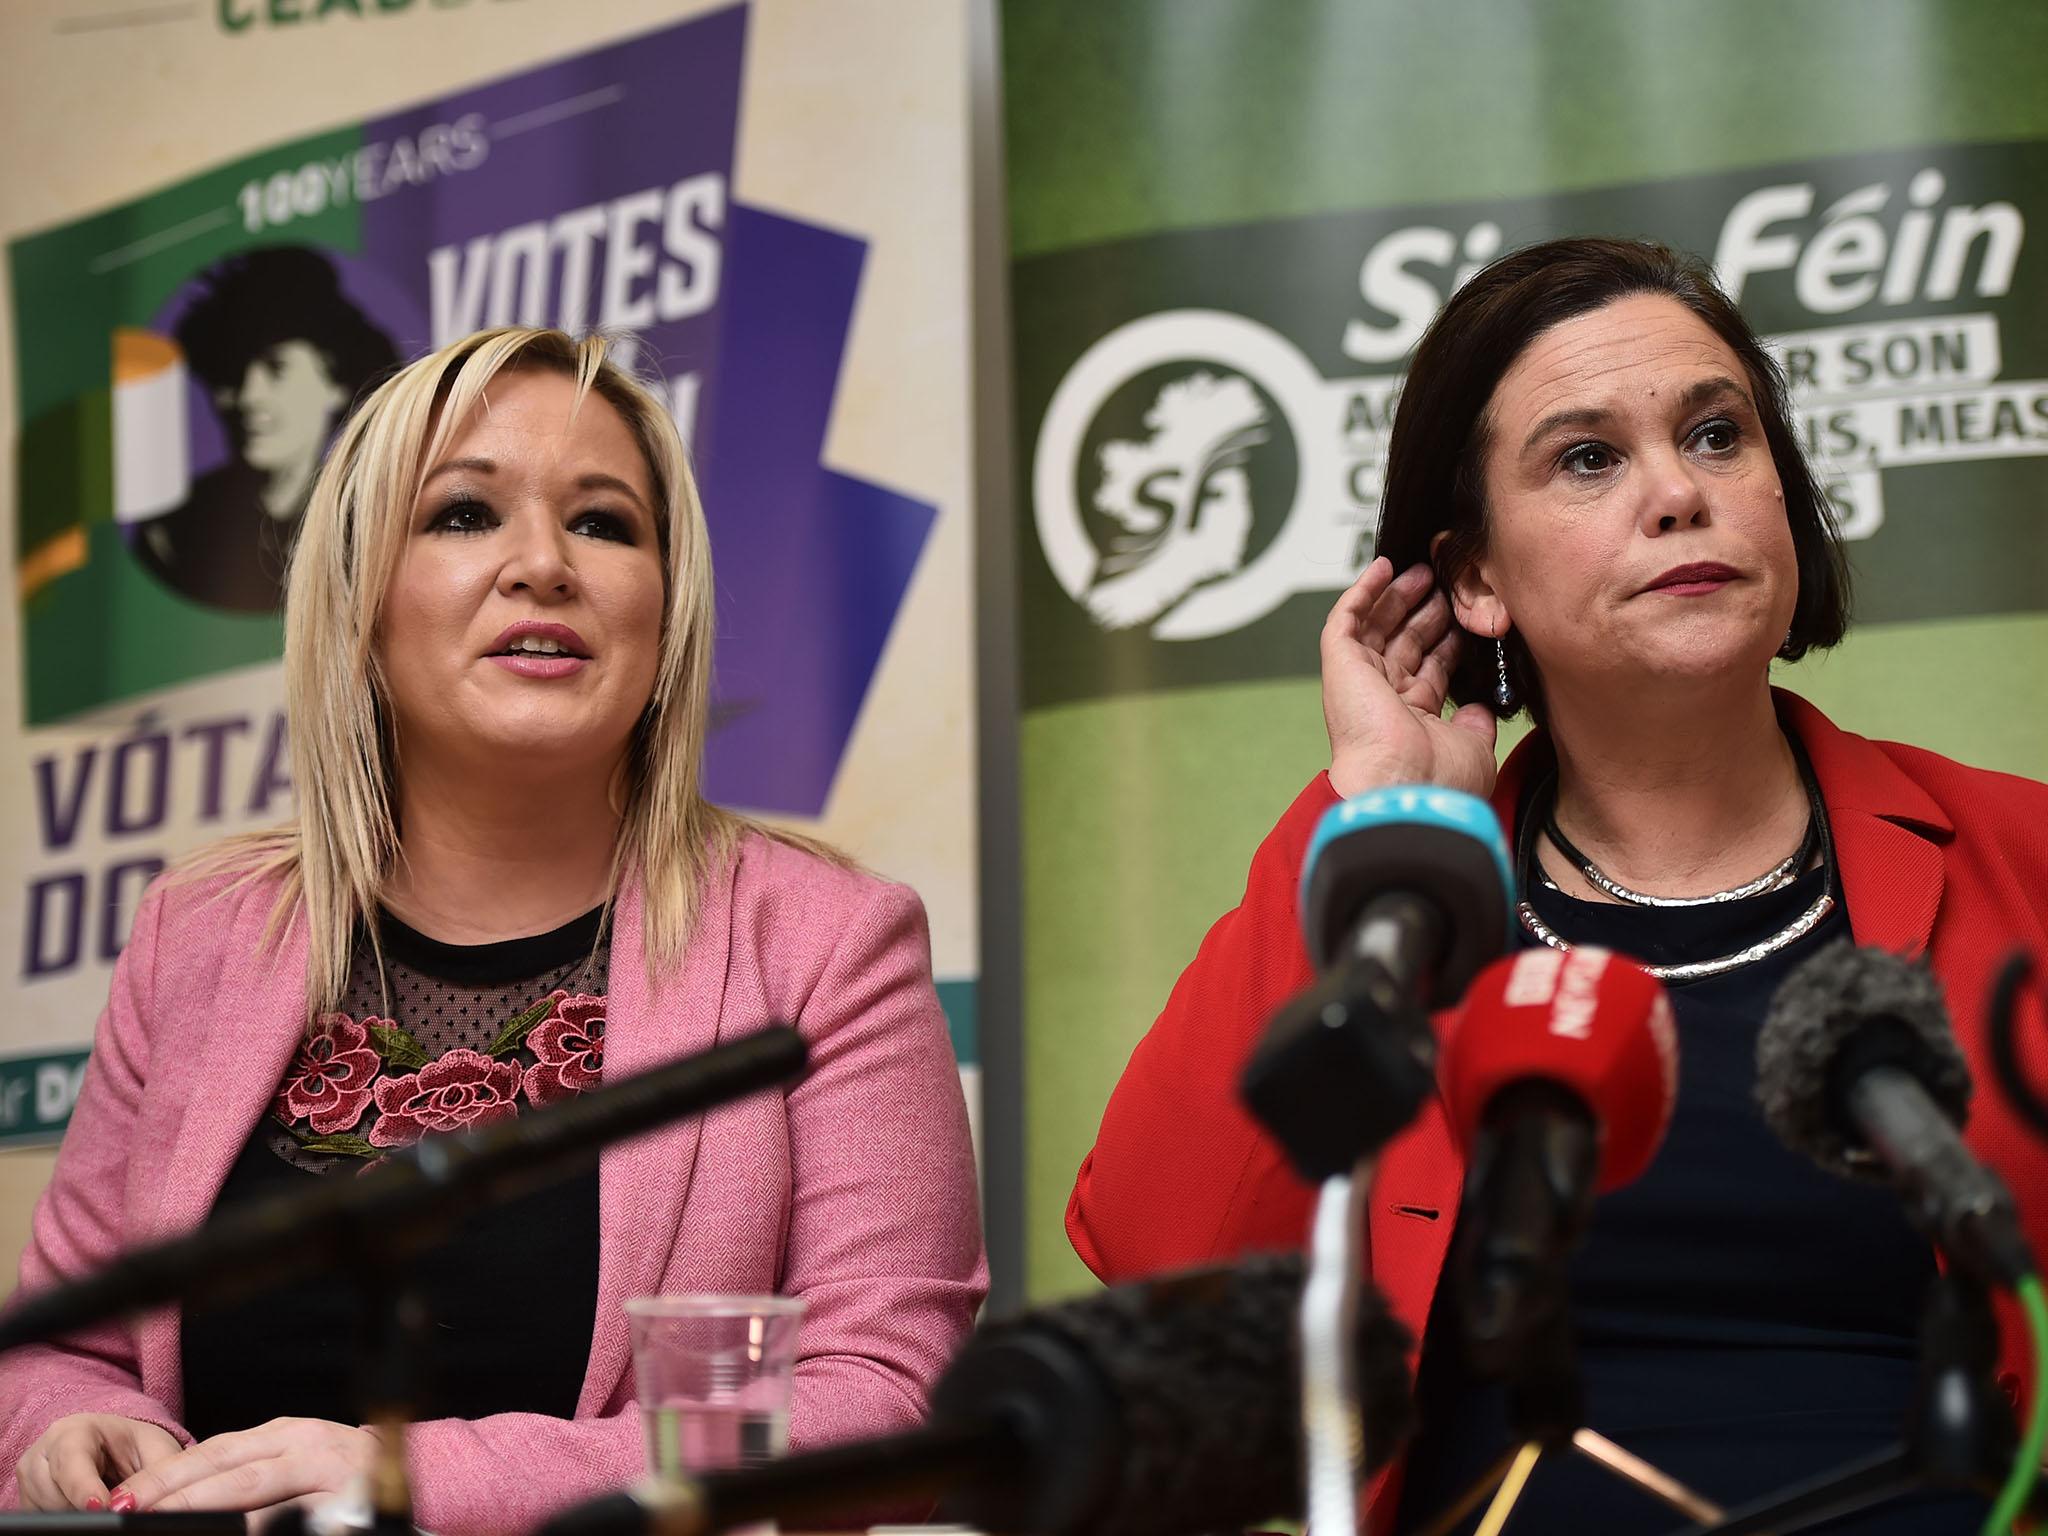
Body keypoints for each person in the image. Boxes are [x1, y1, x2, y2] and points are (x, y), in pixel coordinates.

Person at [1066, 238, 2048, 1533]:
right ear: (1474, 577)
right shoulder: (1407, 896)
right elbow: (1160, 1250)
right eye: (1588, 457)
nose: (1678, 494)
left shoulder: (2015, 850)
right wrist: (1378, 815)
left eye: (1716, 435)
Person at [5, 327, 987, 1532]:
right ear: (360, 600)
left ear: (665, 608)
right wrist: (71, 1423)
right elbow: (61, 1352)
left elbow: (889, 1401)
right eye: (465, 514)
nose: (543, 565)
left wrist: (430, 1483)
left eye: (604, 523)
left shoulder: (826, 944)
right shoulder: (198, 934)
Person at [131, 246, 397, 612]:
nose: (248, 397)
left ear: (336, 383)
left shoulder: (384, 525)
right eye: (229, 374)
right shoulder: (170, 538)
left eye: (276, 368)